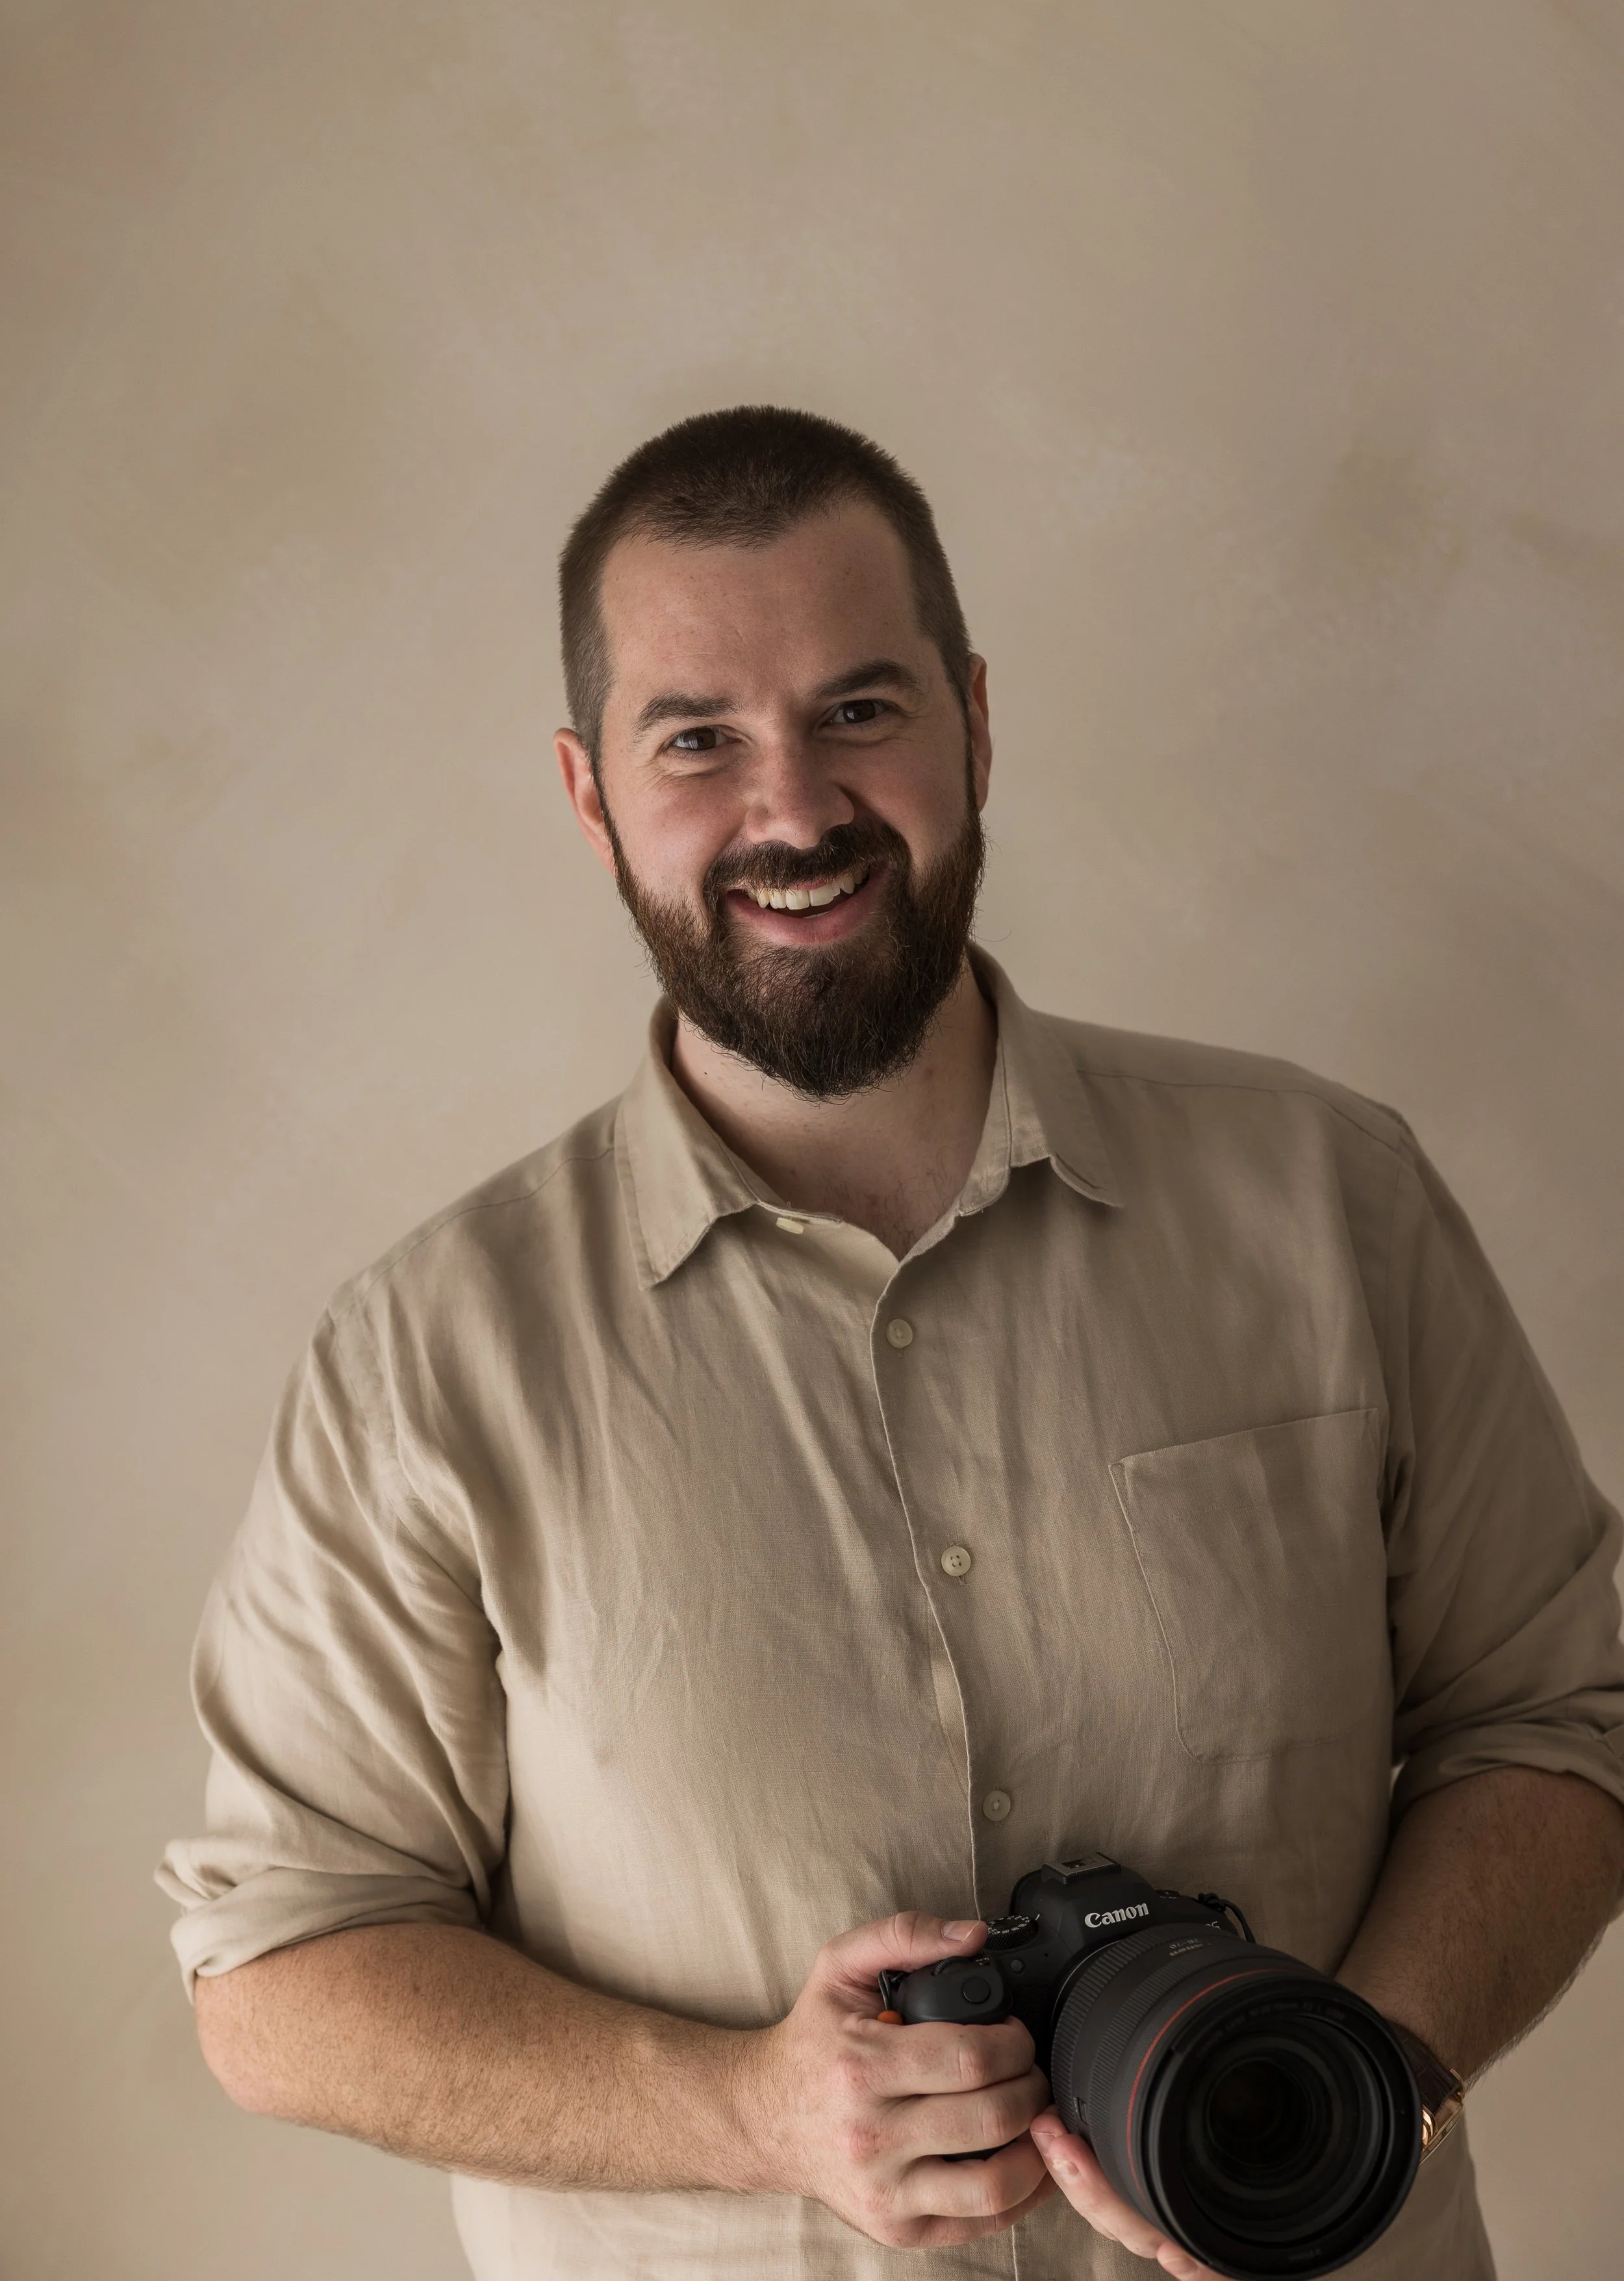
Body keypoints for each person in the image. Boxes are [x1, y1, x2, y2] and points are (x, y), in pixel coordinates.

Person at [160, 407, 1624, 2281]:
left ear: (973, 722)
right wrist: (751, 2110)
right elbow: (277, 1972)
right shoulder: (425, 1359)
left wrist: (1355, 2088)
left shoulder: (1328, 1199)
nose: (791, 809)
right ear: (588, 793)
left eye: (860, 710)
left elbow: (1557, 1712)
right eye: (698, 738)